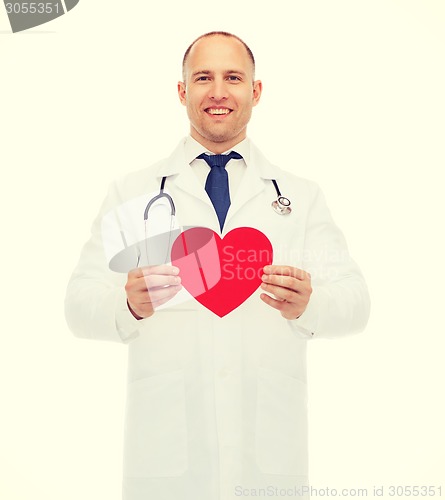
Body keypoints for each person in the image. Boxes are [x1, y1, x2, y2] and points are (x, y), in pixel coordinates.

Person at [65, 31, 370, 500]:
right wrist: (126, 305)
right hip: (165, 461)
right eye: (203, 77)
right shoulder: (135, 192)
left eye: (233, 77)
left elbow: (355, 302)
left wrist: (310, 305)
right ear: (182, 91)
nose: (219, 91)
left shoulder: (299, 197)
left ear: (256, 90)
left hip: (269, 461)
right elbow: (79, 303)